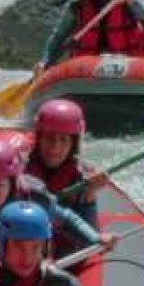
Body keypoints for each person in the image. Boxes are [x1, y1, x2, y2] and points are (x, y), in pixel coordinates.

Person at [0, 139, 111, 267]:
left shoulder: (33, 196)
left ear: (12, 183)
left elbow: (67, 220)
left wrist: (95, 238)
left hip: (29, 277)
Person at [24, 99, 105, 235]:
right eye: (49, 138)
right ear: (39, 139)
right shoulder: (19, 168)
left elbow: (91, 241)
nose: (55, 147)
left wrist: (90, 197)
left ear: (73, 145)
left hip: (62, 248)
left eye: (63, 140)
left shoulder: (81, 176)